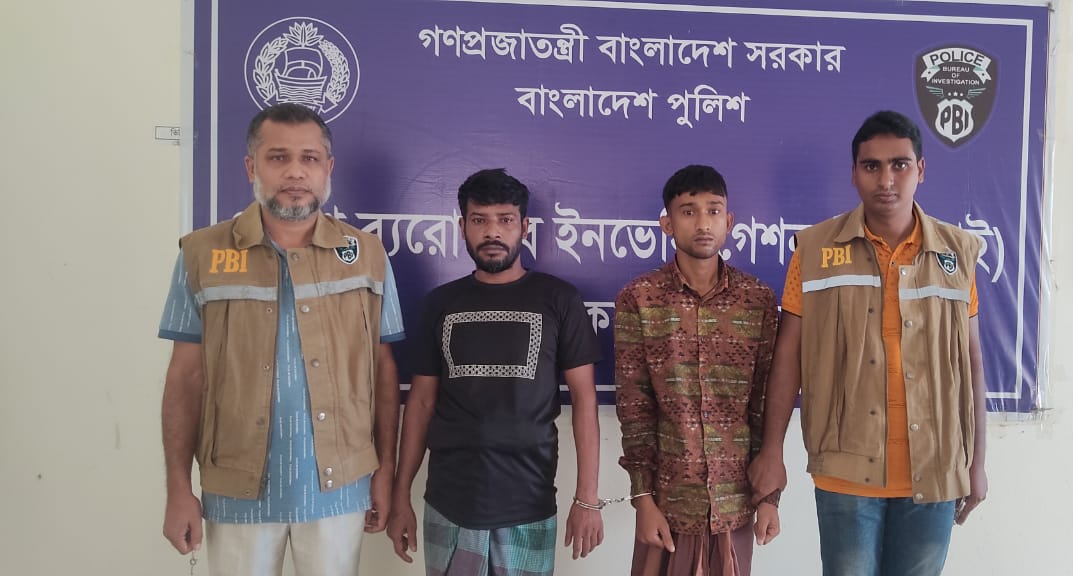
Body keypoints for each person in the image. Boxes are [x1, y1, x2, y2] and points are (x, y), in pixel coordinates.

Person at [159, 103, 405, 576]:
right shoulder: (202, 253)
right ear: (251, 167)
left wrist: (386, 475)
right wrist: (177, 487)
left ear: (328, 168)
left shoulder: (367, 254)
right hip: (236, 486)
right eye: (278, 158)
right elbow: (185, 377)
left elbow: (384, 371)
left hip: (341, 484)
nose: (295, 172)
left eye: (309, 158)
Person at [748, 110, 988, 576]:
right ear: (854, 173)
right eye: (872, 166)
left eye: (900, 164)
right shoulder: (815, 251)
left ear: (921, 170)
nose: (886, 179)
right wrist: (772, 449)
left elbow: (971, 361)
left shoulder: (957, 253)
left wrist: (977, 462)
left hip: (936, 468)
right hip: (845, 473)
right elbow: (789, 357)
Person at [386, 168, 604, 576]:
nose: (492, 232)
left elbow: (585, 400)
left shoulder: (559, 300)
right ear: (462, 227)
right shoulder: (439, 304)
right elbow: (421, 403)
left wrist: (587, 499)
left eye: (505, 219)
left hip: (529, 505)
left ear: (524, 226)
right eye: (479, 220)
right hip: (449, 504)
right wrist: (401, 498)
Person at [615, 165, 781, 576]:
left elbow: (765, 402)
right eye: (688, 211)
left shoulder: (757, 300)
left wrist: (769, 498)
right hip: (668, 504)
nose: (703, 223)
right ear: (667, 224)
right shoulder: (640, 299)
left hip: (735, 503)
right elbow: (635, 407)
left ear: (729, 221)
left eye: (713, 210)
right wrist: (642, 499)